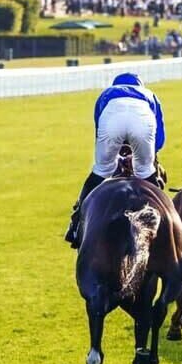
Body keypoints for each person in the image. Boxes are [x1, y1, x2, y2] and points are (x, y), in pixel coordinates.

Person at [64, 72, 166, 247]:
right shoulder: (150, 95)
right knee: (146, 172)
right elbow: (159, 138)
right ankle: (165, 224)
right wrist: (146, 157)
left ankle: (76, 224)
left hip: (112, 122)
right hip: (142, 121)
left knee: (101, 170)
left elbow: (99, 130)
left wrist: (113, 155)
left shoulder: (106, 93)